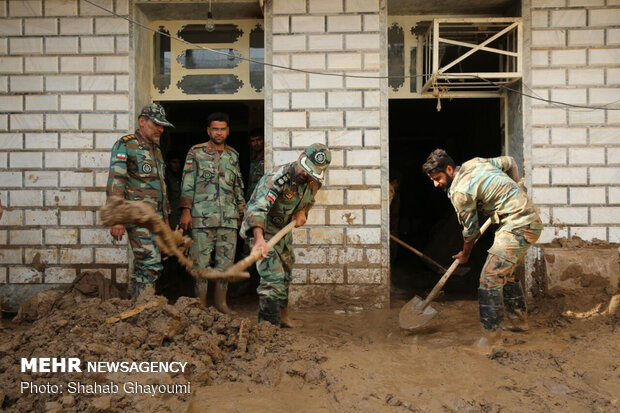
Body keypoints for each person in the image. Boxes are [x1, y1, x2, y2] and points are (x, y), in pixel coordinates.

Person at [422, 149, 543, 351]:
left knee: (490, 278)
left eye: (438, 178)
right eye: (433, 180)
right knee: (506, 273)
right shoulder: (475, 162)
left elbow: (471, 232)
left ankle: (491, 339)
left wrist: (465, 254)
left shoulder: (460, 192)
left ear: (449, 169)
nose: (436, 184)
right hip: (526, 221)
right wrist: (516, 187)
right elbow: (511, 162)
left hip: (518, 225)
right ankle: (518, 322)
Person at [240, 143, 331, 328]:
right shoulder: (277, 178)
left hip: (283, 232)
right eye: (305, 169)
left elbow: (308, 201)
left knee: (286, 273)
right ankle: (268, 329)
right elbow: (257, 209)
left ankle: (283, 317)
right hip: (263, 230)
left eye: (311, 172)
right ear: (299, 157)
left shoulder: (314, 181)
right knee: (272, 278)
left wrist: (303, 212)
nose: (305, 175)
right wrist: (259, 240)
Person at [179, 112, 246, 314]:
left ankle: (221, 303)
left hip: (228, 218)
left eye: (222, 129)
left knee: (226, 265)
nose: (219, 133)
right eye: (215, 129)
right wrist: (185, 212)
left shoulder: (233, 155)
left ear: (228, 131)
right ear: (208, 130)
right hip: (202, 218)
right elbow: (187, 183)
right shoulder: (196, 152)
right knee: (200, 264)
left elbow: (237, 187)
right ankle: (200, 305)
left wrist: (242, 212)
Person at [106, 103, 174, 299]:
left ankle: (137, 308)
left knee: (144, 264)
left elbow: (162, 188)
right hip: (136, 216)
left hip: (155, 218)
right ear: (142, 121)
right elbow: (116, 181)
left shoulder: (156, 150)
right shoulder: (126, 145)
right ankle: (145, 308)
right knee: (150, 262)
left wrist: (166, 219)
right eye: (156, 124)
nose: (161, 129)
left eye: (162, 126)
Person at [165, 151, 184, 230]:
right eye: (174, 162)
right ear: (167, 163)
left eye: (178, 163)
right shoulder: (164, 176)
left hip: (180, 214)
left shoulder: (179, 176)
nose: (177, 165)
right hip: (171, 215)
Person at [246, 129, 265, 201]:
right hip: (252, 199)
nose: (256, 143)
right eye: (253, 141)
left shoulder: (268, 159)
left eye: (258, 140)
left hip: (263, 198)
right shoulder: (253, 160)